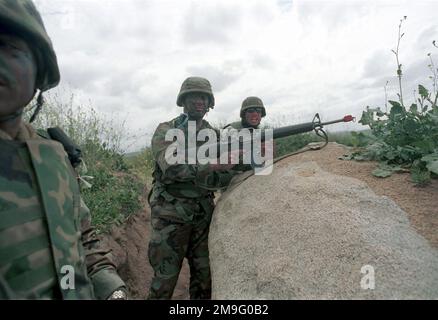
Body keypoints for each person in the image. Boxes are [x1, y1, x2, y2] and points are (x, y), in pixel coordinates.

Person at [0, 0, 126, 300]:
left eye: (9, 47)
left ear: (39, 71)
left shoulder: (52, 155)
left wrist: (112, 291)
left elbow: (81, 237)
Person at [148, 76, 237, 299]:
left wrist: (243, 162)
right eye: (194, 96)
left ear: (210, 103)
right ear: (183, 101)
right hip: (171, 216)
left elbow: (217, 179)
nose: (200, 101)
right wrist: (213, 164)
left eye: (204, 97)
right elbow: (171, 168)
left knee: (205, 279)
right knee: (164, 282)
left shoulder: (214, 135)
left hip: (203, 216)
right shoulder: (166, 130)